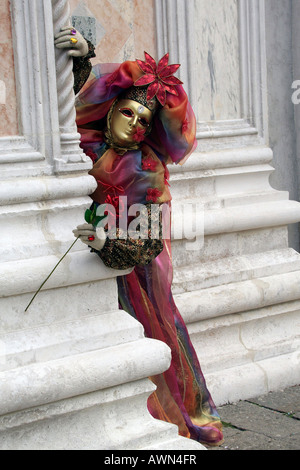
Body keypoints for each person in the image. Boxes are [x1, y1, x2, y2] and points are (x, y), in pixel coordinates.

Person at [55, 27, 224, 447]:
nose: (134, 126)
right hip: (89, 263)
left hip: (138, 270)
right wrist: (80, 58)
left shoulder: (147, 170)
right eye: (128, 113)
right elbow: (70, 106)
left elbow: (147, 239)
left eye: (144, 122)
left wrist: (104, 242)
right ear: (112, 110)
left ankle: (175, 415)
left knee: (154, 329)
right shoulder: (87, 144)